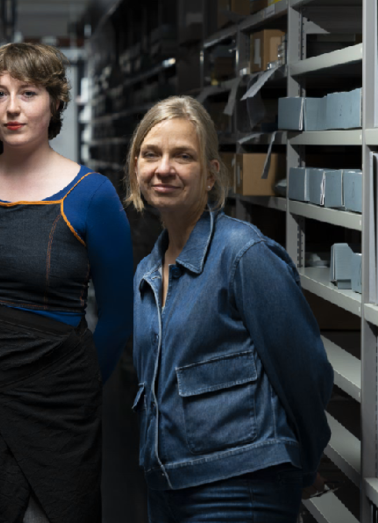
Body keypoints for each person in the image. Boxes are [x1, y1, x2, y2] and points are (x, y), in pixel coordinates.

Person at [0, 42, 134, 522]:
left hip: (57, 400)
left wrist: (74, 385)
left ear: (56, 101)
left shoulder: (92, 195)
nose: (12, 108)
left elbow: (119, 316)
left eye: (29, 92)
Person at [127, 95, 333, 522]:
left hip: (240, 488)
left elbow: (303, 371)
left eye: (182, 156)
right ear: (135, 168)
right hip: (167, 487)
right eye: (151, 154)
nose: (163, 168)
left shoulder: (244, 255)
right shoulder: (148, 271)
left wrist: (306, 462)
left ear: (210, 174)